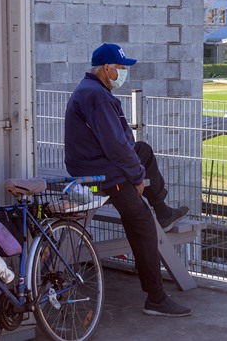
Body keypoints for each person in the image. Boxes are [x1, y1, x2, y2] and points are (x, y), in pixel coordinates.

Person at [64, 43, 191, 317]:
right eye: (120, 68)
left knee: (142, 149)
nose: (123, 73)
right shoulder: (97, 97)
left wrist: (136, 170)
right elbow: (116, 146)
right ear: (106, 68)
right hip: (101, 175)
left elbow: (124, 145)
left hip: (99, 166)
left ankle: (164, 210)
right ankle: (156, 299)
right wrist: (137, 178)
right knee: (143, 223)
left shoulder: (94, 91)